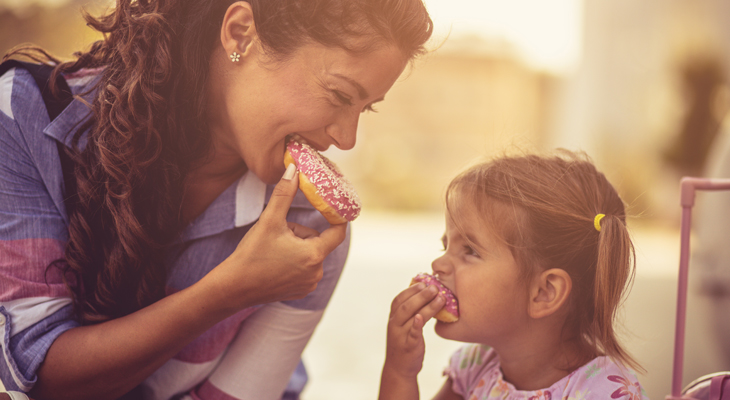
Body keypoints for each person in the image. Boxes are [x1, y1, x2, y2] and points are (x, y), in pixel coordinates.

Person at [0, 0, 433, 399]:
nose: (347, 138)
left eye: (366, 108)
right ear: (241, 33)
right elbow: (40, 376)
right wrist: (230, 290)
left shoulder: (309, 232)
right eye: (339, 95)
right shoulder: (23, 118)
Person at [378, 150, 648, 399]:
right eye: (445, 245)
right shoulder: (475, 367)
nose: (438, 263)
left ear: (544, 292)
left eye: (470, 250)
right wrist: (401, 372)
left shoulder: (605, 393)